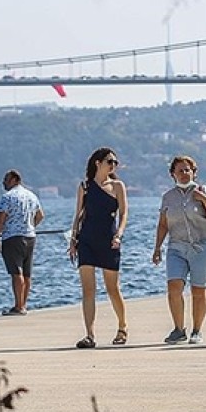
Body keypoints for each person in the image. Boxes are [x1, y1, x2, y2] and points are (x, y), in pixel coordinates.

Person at [152, 155, 206, 345]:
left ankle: (197, 331)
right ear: (173, 174)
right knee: (174, 286)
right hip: (176, 246)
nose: (184, 174)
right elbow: (163, 225)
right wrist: (157, 248)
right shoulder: (168, 197)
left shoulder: (203, 190)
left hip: (203, 246)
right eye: (180, 170)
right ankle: (178, 329)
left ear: (193, 172)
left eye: (187, 170)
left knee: (198, 290)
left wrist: (203, 198)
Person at [68, 147, 129, 349]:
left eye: (115, 163)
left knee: (112, 288)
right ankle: (90, 334)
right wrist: (73, 240)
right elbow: (78, 215)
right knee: (88, 290)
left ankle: (122, 326)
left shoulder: (118, 186)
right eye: (109, 161)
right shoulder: (85, 186)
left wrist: (119, 235)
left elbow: (124, 214)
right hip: (87, 240)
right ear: (98, 163)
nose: (113, 165)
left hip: (109, 240)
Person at [0, 170, 44, 316]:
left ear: (14, 179)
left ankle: (18, 306)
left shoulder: (7, 197)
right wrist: (30, 226)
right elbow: (40, 215)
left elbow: (0, 218)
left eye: (6, 180)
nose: (3, 183)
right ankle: (23, 305)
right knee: (27, 274)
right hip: (30, 237)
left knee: (16, 272)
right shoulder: (31, 196)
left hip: (12, 238)